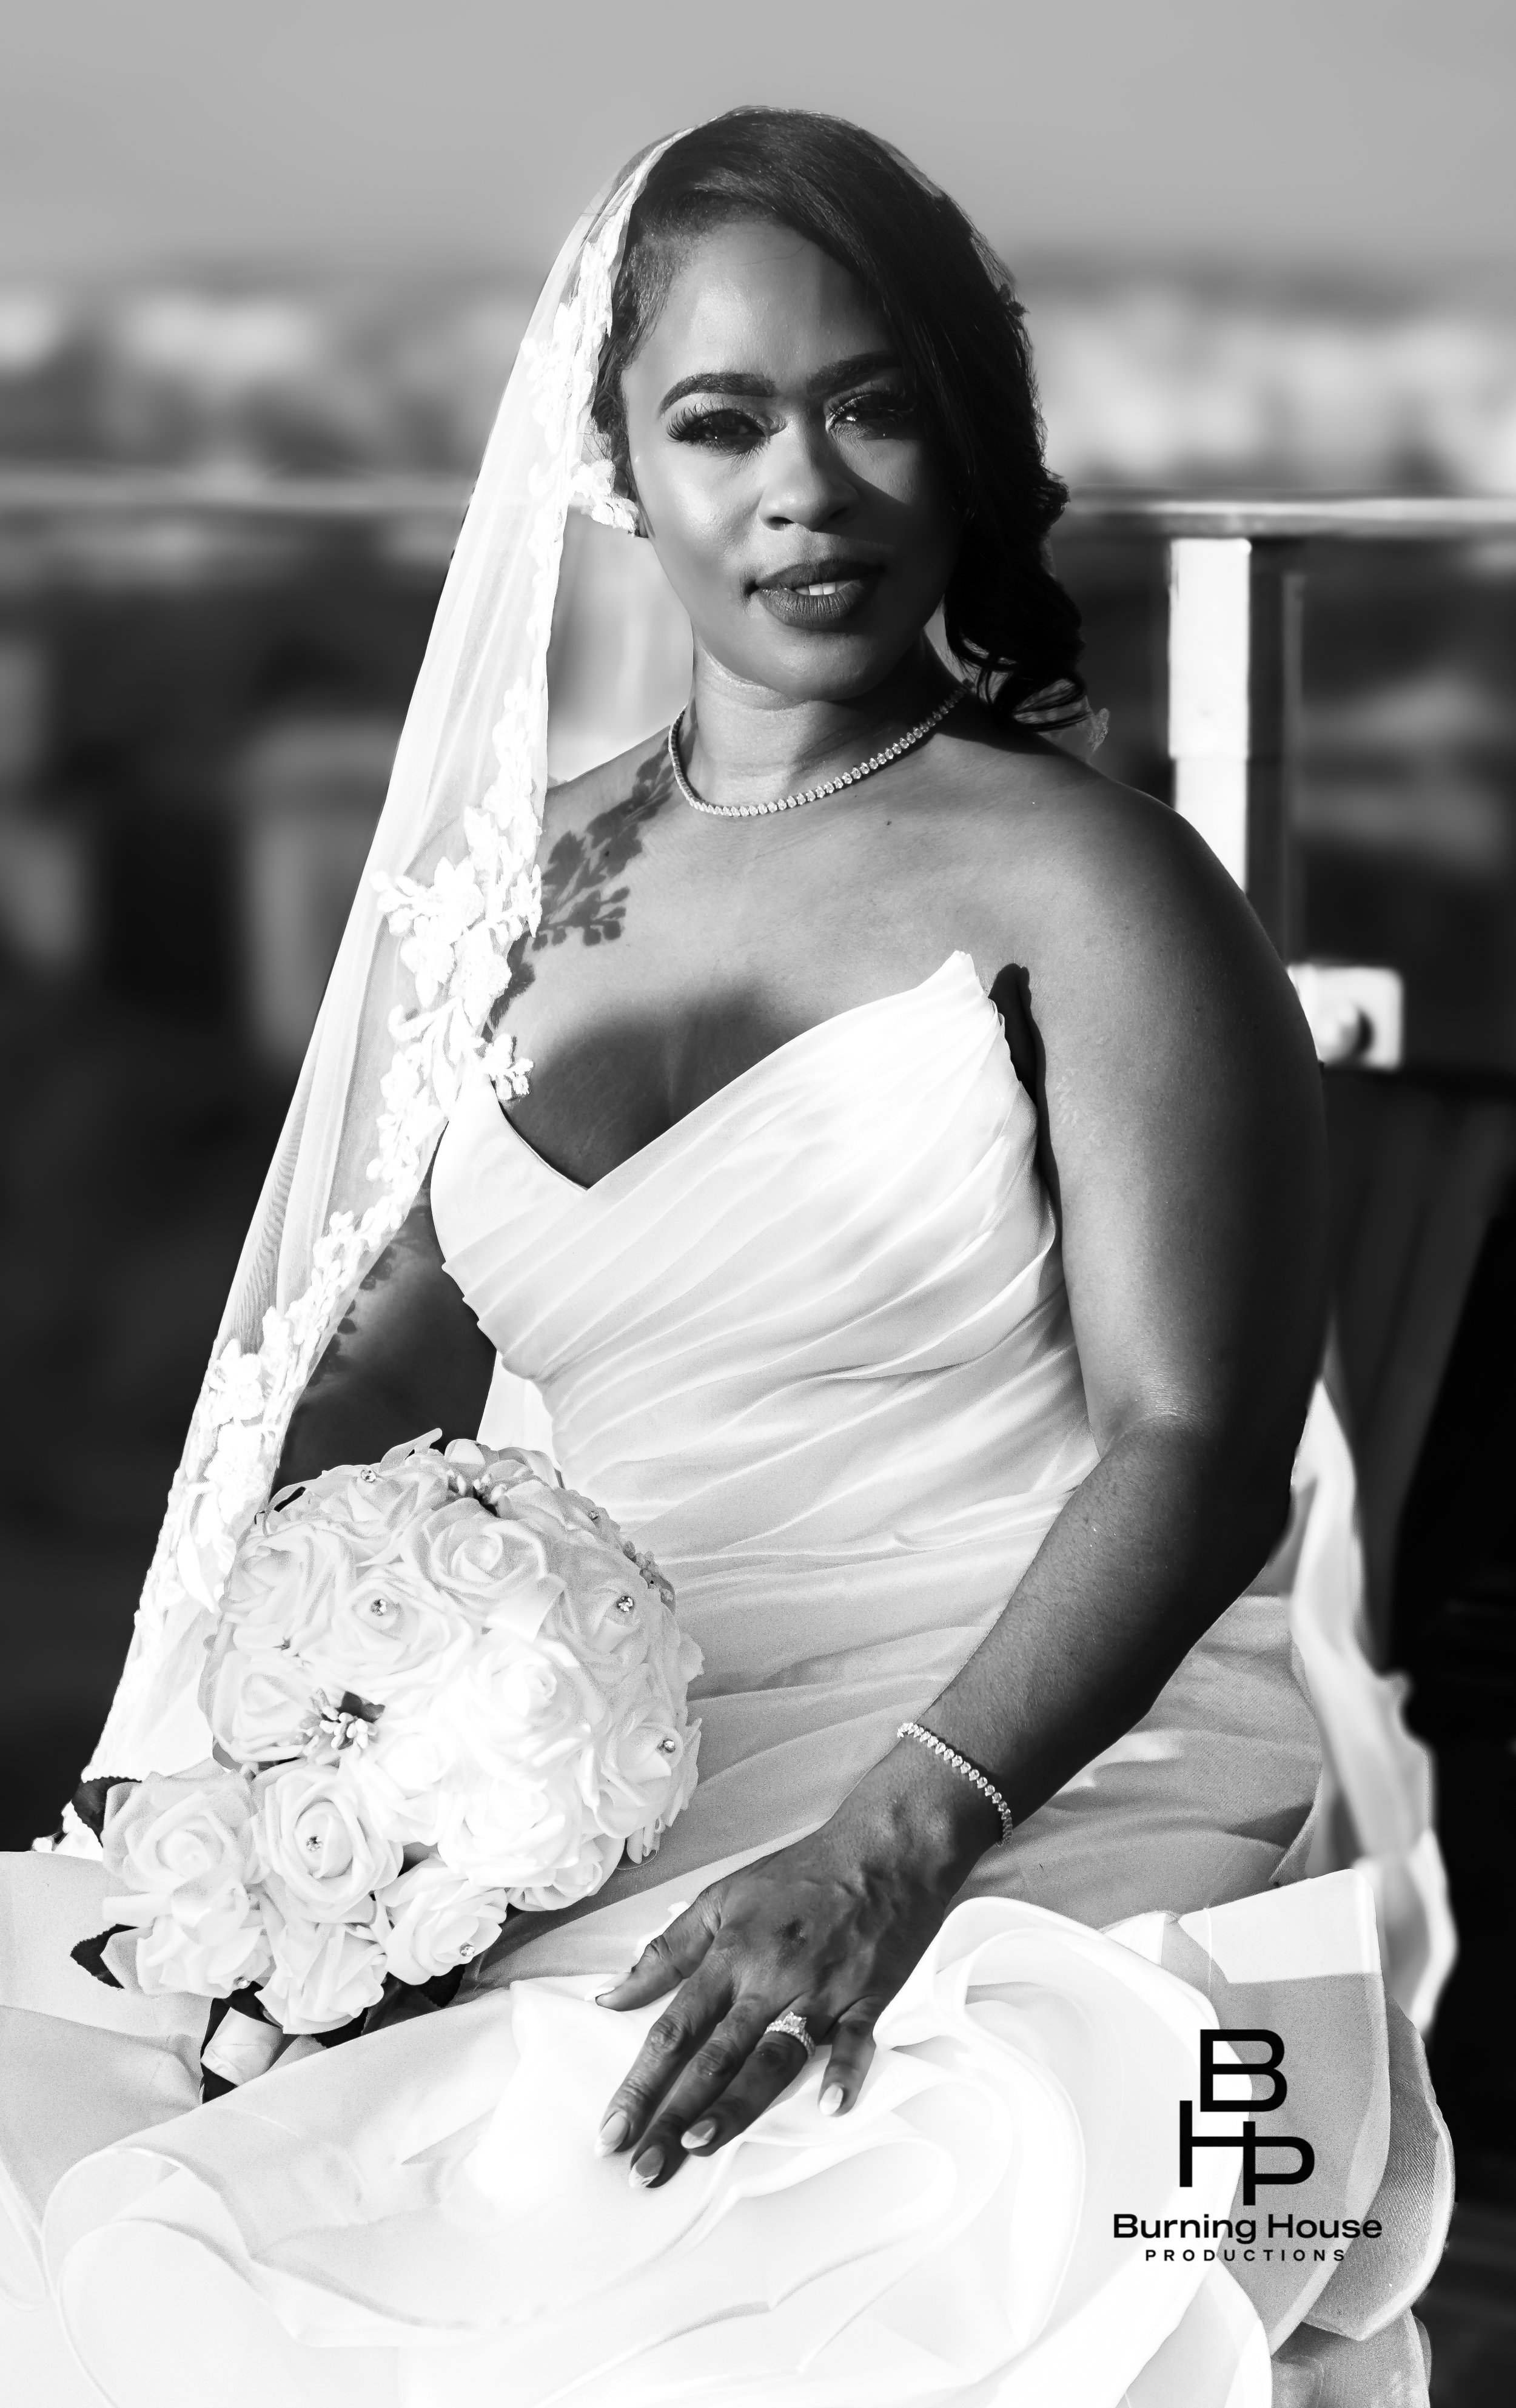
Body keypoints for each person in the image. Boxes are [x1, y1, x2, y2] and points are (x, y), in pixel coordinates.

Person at [0, 112, 1449, 2406]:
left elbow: (1195, 1444)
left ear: (960, 443)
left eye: (872, 405)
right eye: (721, 418)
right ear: (612, 463)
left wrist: (891, 1858)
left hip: (994, 1742)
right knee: (101, 2144)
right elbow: (360, 1386)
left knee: (669, 2253)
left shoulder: (1096, 888)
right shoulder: (503, 895)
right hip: (592, 1759)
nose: (806, 486)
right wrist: (305, 1791)